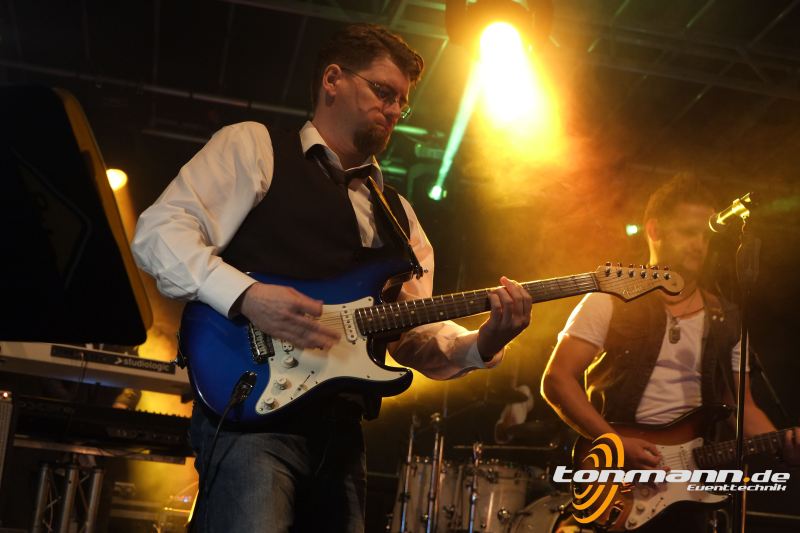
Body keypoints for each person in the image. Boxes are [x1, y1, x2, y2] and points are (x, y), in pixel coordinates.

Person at [131, 23, 532, 532]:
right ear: (333, 80)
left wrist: (484, 341)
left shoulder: (400, 217)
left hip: (341, 437)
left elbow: (409, 336)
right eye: (383, 91)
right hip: (251, 411)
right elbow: (159, 233)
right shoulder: (256, 147)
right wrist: (248, 296)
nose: (393, 109)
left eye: (401, 102)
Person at [540, 174, 800, 532]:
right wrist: (614, 443)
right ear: (655, 230)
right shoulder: (610, 299)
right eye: (689, 232)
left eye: (705, 236)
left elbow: (743, 409)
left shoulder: (726, 318)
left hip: (689, 494)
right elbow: (557, 380)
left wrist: (784, 444)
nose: (699, 245)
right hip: (618, 482)